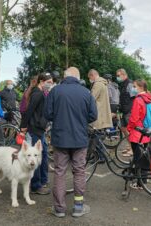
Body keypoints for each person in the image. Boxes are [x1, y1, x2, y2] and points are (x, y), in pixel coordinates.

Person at [44, 66, 98, 218]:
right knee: (79, 172)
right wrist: (81, 120)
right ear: (78, 77)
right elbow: (93, 115)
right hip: (80, 139)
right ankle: (78, 207)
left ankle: (59, 208)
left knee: (59, 172)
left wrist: (59, 117)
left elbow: (47, 114)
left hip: (60, 139)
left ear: (65, 76)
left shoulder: (55, 91)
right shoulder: (86, 92)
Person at [20, 73, 53, 195]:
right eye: (48, 82)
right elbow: (29, 111)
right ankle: (35, 186)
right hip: (34, 129)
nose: (50, 84)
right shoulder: (37, 94)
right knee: (36, 157)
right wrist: (23, 127)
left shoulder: (40, 93)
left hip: (39, 129)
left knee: (43, 155)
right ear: (42, 81)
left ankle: (43, 180)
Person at [127, 79, 151, 190]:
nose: (133, 88)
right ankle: (144, 180)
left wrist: (129, 128)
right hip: (146, 131)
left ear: (140, 87)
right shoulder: (148, 98)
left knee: (137, 158)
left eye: (134, 86)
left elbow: (134, 118)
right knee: (144, 157)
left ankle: (139, 183)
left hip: (138, 132)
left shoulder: (138, 100)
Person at [116, 69, 135, 156]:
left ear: (124, 75)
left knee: (131, 130)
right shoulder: (123, 84)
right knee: (123, 128)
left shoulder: (130, 84)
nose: (117, 77)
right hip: (124, 110)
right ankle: (130, 145)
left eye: (118, 75)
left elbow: (134, 97)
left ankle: (133, 149)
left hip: (129, 111)